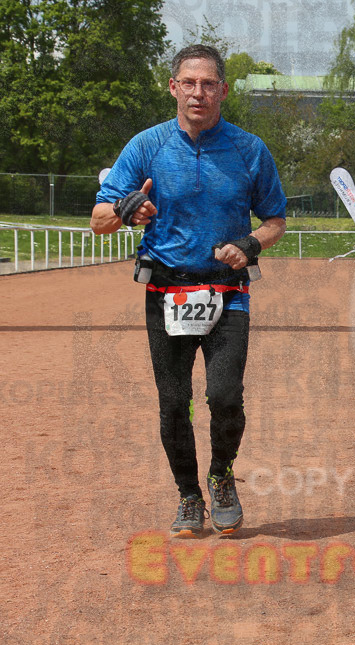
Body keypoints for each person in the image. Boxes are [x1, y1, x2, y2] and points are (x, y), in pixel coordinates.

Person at [91, 45, 287, 537]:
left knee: (224, 397)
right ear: (173, 87)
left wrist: (249, 244)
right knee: (174, 403)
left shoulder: (249, 149)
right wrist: (127, 208)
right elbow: (98, 222)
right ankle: (187, 495)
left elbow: (276, 220)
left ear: (223, 89)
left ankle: (221, 475)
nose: (198, 93)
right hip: (165, 293)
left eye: (208, 84)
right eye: (189, 83)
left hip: (228, 293)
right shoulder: (146, 146)